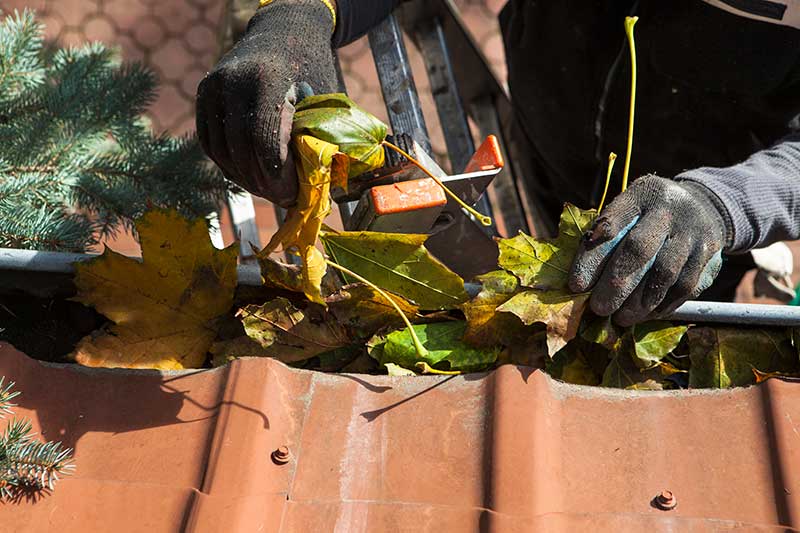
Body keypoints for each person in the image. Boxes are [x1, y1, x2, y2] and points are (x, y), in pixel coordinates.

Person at [196, 0, 800, 326]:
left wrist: (727, 206)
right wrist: (304, 9)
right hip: (554, 126)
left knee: (651, 295)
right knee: (559, 217)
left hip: (698, 209)